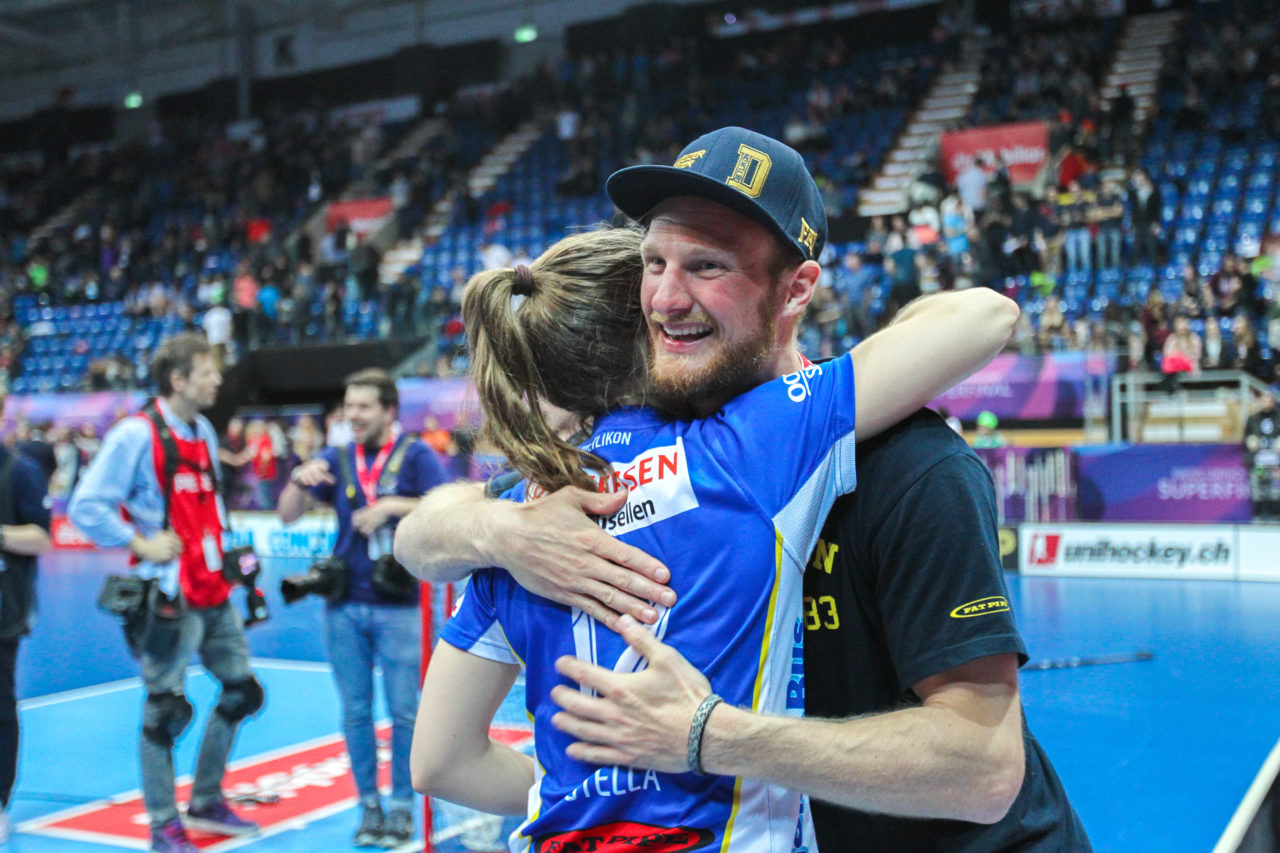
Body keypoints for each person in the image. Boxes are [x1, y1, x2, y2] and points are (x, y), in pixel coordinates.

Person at [397, 126, 1090, 851]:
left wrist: (702, 740)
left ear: (797, 289)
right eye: (654, 262)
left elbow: (983, 768)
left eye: (708, 266)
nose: (668, 297)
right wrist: (498, 531)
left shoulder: (908, 464)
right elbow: (425, 533)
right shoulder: (561, 508)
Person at [68, 333, 262, 853]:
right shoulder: (136, 434)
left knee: (242, 691)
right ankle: (162, 823)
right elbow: (86, 504)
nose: (217, 380)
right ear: (178, 380)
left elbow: (210, 504)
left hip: (214, 587)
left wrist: (234, 558)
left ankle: (206, 799)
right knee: (163, 711)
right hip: (170, 596)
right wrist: (139, 542)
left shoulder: (202, 429)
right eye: (207, 372)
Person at [276, 368, 447, 848]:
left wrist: (392, 506)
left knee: (406, 713)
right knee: (354, 712)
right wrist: (297, 479)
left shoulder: (416, 454)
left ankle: (402, 807)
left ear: (389, 410)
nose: (352, 415)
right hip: (343, 604)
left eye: (363, 406)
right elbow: (287, 514)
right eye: (348, 406)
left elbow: (446, 507)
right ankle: (369, 806)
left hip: (401, 605)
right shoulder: (336, 457)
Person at [0, 399, 54, 843]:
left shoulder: (21, 471)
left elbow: (41, 537)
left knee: (0, 706)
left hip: (4, 608)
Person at [1244, 390, 1280, 521]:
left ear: (1273, 401)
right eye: (1264, 400)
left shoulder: (1278, 417)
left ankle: (1275, 515)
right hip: (1259, 462)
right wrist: (1251, 441)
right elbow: (1247, 436)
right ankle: (1258, 516)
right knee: (1259, 487)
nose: (1267, 403)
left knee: (1275, 488)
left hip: (1275, 462)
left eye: (1269, 400)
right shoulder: (1254, 419)